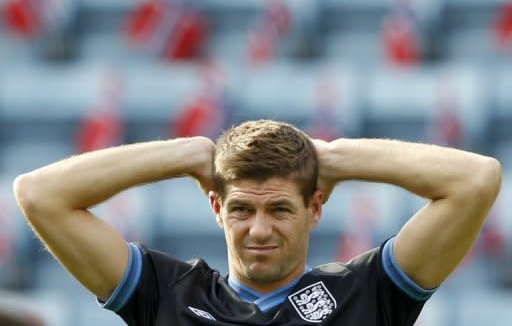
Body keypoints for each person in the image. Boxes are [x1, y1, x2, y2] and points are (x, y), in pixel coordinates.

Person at [13, 119, 502, 325]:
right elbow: (38, 194)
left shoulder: (368, 292)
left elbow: (477, 180)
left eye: (280, 209)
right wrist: (189, 152)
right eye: (243, 209)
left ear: (314, 208)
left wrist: (336, 157)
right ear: (216, 208)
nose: (260, 230)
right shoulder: (168, 294)